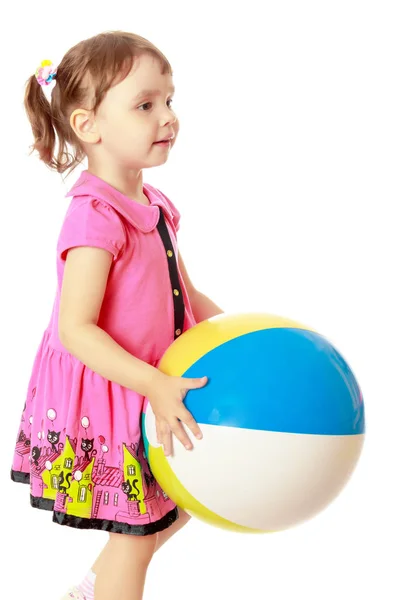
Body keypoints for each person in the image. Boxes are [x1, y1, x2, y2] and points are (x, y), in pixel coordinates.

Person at [10, 30, 223, 600]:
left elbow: (186, 291)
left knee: (183, 500)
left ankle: (92, 588)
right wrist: (152, 381)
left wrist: (241, 339)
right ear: (88, 126)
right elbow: (73, 330)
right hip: (113, 389)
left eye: (170, 100)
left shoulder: (154, 205)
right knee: (137, 534)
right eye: (146, 105)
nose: (168, 117)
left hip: (153, 383)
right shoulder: (94, 217)